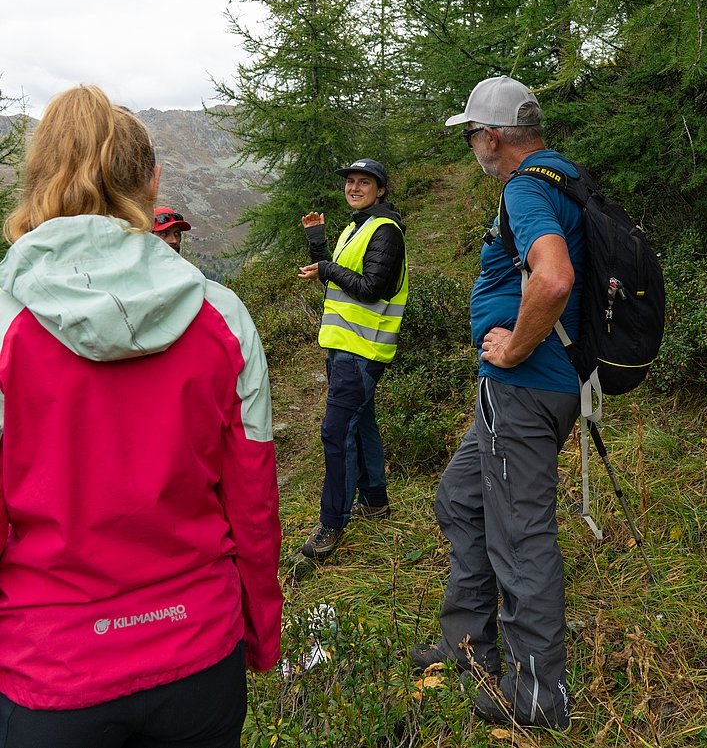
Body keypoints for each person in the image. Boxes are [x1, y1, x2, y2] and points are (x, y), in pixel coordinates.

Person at [0, 85, 282, 747]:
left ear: (36, 179)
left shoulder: (9, 327)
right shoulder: (223, 318)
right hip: (197, 654)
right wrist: (259, 631)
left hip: (54, 669)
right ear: (151, 183)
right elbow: (253, 499)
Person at [410, 76, 583, 732]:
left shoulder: (527, 188)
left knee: (521, 536)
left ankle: (538, 694)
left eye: (470, 134)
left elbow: (555, 275)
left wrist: (511, 350)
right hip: (522, 393)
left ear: (490, 136)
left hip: (524, 388)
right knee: (460, 498)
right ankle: (470, 652)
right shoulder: (561, 178)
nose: (469, 146)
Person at [297, 159, 408, 562]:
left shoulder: (386, 231)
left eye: (365, 182)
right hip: (344, 347)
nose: (355, 188)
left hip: (363, 351)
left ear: (381, 190)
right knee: (360, 426)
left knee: (336, 432)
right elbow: (341, 277)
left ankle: (332, 524)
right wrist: (318, 245)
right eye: (351, 182)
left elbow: (371, 288)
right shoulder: (356, 227)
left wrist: (327, 266)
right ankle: (375, 501)